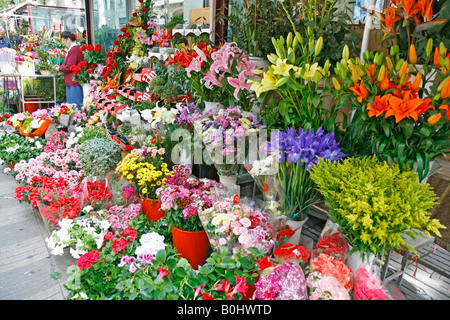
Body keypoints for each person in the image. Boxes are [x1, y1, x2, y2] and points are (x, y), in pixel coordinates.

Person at [55, 31, 84, 108]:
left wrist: (59, 68)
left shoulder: (74, 49)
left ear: (68, 39)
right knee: (72, 105)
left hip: (73, 81)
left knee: (75, 105)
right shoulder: (74, 49)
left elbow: (70, 66)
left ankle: (77, 119)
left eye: (64, 41)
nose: (63, 43)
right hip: (71, 80)